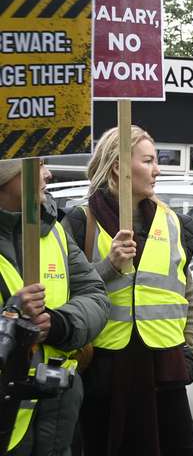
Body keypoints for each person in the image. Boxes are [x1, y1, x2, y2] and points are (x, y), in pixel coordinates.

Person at [61, 126, 193, 456]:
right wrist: (108, 265)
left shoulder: (175, 223)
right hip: (104, 373)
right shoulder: (80, 222)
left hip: (164, 369)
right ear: (118, 167)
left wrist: (188, 351)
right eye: (149, 160)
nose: (158, 169)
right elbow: (65, 295)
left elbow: (188, 297)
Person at [0, 159, 109, 456]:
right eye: (37, 165)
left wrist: (59, 323)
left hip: (58, 413)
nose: (48, 174)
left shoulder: (54, 230)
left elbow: (95, 294)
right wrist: (11, 320)